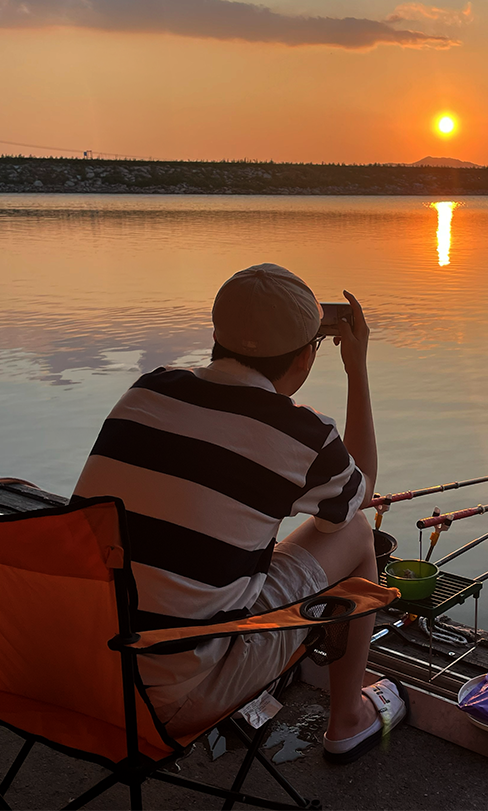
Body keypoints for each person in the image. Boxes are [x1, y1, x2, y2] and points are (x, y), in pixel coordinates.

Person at [74, 263, 406, 764]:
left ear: (216, 337)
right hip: (163, 701)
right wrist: (356, 368)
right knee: (356, 531)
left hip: (67, 669)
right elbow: (360, 493)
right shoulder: (300, 434)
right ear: (305, 357)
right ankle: (348, 719)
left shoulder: (147, 391)